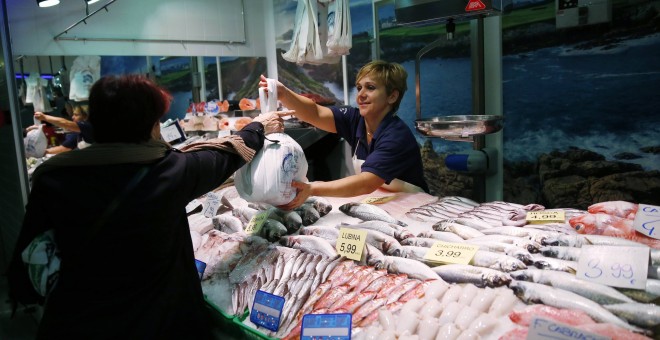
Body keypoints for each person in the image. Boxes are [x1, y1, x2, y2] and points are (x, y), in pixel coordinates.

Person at [7, 74, 284, 339]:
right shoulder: (169, 171)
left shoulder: (53, 177)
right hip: (158, 324)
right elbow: (226, 154)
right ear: (150, 124)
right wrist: (258, 126)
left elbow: (26, 265)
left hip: (77, 322)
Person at [260, 60, 429, 210]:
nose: (361, 95)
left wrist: (313, 188)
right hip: (380, 199)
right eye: (359, 87)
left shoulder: (396, 135)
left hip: (413, 204)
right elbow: (315, 113)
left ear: (392, 96)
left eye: (370, 88)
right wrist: (283, 93)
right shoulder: (355, 119)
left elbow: (366, 182)